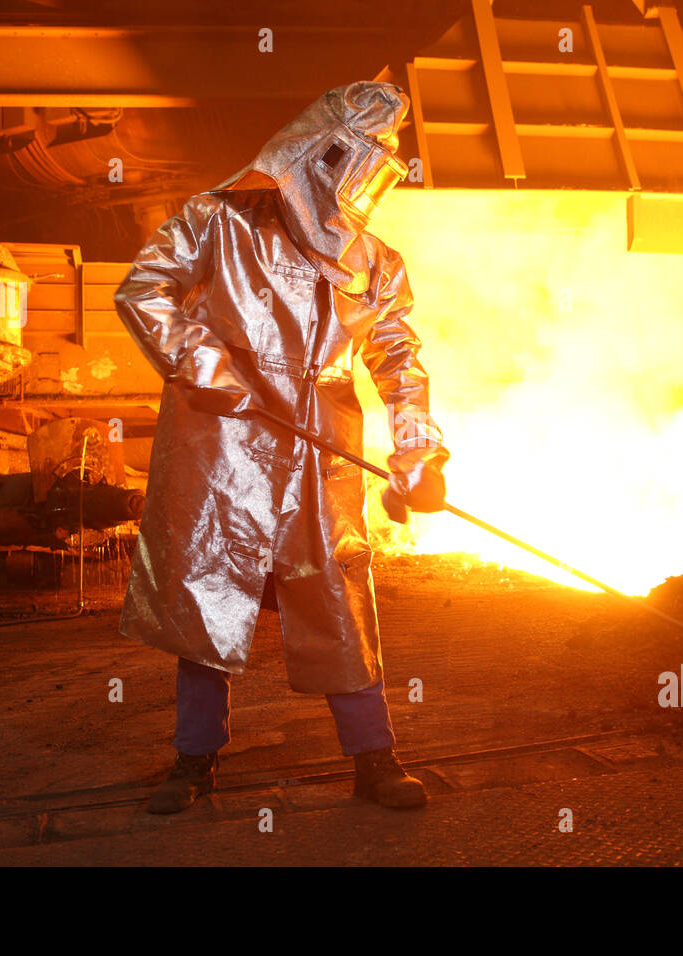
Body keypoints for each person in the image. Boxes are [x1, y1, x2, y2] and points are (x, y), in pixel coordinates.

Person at [114, 81, 449, 814]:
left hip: (318, 458)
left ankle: (375, 760)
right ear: (310, 155)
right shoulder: (217, 222)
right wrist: (214, 373)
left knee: (340, 605)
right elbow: (144, 291)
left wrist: (418, 448)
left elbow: (399, 360)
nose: (357, 187)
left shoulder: (376, 263)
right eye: (350, 164)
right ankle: (192, 763)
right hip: (223, 451)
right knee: (208, 606)